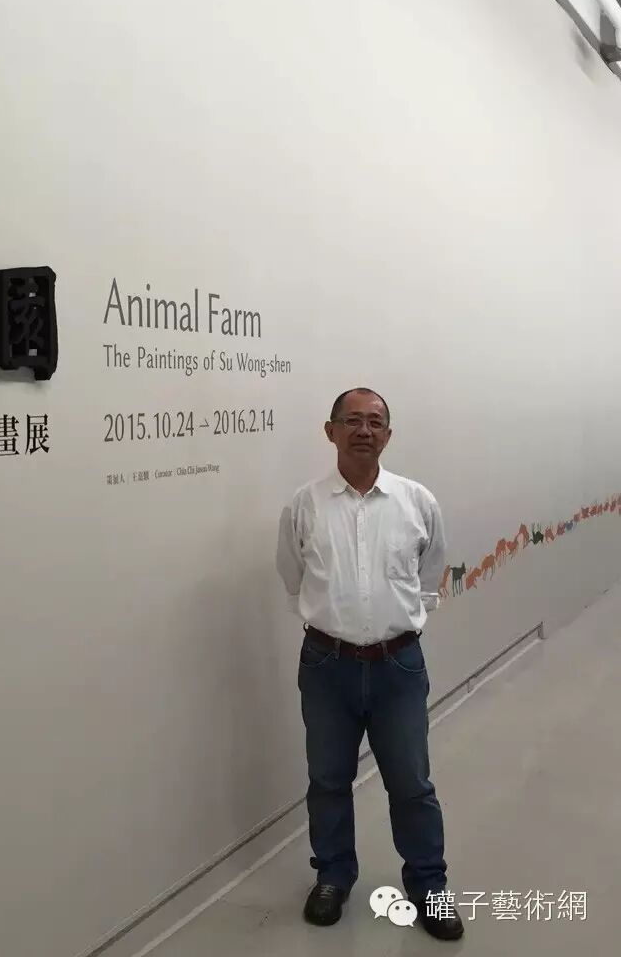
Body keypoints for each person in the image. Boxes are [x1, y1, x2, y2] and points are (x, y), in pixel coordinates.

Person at [275, 387, 464, 941]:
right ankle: (333, 876)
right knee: (328, 779)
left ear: (388, 434)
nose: (364, 430)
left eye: (375, 422)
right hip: (325, 666)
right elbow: (293, 577)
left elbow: (429, 575)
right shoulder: (304, 506)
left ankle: (428, 885)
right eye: (352, 420)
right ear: (330, 430)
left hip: (397, 667)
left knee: (411, 784)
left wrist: (392, 621)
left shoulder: (417, 502)